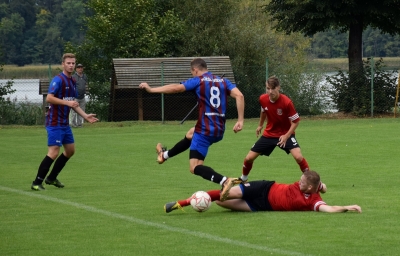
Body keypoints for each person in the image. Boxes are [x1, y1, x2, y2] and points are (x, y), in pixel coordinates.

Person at [139, 58, 245, 187]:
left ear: (195, 70)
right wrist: (240, 120)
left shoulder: (198, 80)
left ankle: (224, 181)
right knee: (190, 134)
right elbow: (240, 96)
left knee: (194, 167)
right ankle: (164, 155)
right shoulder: (223, 81)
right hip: (219, 129)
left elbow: (176, 88)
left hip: (204, 130)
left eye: (192, 72)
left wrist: (151, 90)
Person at [31, 53, 98, 191]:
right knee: (53, 152)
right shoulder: (58, 80)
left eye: (73, 63)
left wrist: (85, 116)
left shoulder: (73, 81)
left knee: (70, 151)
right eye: (69, 63)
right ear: (63, 64)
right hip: (54, 122)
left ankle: (52, 177)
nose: (71, 65)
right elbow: (49, 98)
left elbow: (73, 104)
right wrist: (66, 103)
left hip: (64, 124)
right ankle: (37, 182)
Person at [164, 170, 361, 214]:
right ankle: (182, 202)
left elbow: (329, 209)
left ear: (310, 187)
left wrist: (347, 207)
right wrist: (323, 186)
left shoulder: (313, 201)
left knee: (220, 202)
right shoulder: (314, 185)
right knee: (224, 193)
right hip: (264, 188)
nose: (299, 181)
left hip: (262, 205)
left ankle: (204, 198)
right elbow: (320, 185)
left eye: (302, 181)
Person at [239, 76, 311, 183]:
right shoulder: (263, 99)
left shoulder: (287, 102)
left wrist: (286, 136)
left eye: (273, 88)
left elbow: (296, 121)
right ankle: (243, 178)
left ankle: (311, 180)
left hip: (285, 134)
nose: (270, 91)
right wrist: (260, 125)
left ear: (278, 88)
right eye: (268, 88)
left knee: (299, 157)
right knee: (249, 158)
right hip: (269, 134)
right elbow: (264, 111)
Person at [70, 63, 88, 128]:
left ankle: (80, 124)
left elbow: (85, 85)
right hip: (75, 97)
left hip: (82, 97)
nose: (80, 69)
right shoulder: (73, 77)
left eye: (81, 67)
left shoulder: (84, 76)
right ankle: (73, 124)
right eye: (78, 67)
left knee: (82, 111)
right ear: (76, 69)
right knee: (74, 111)